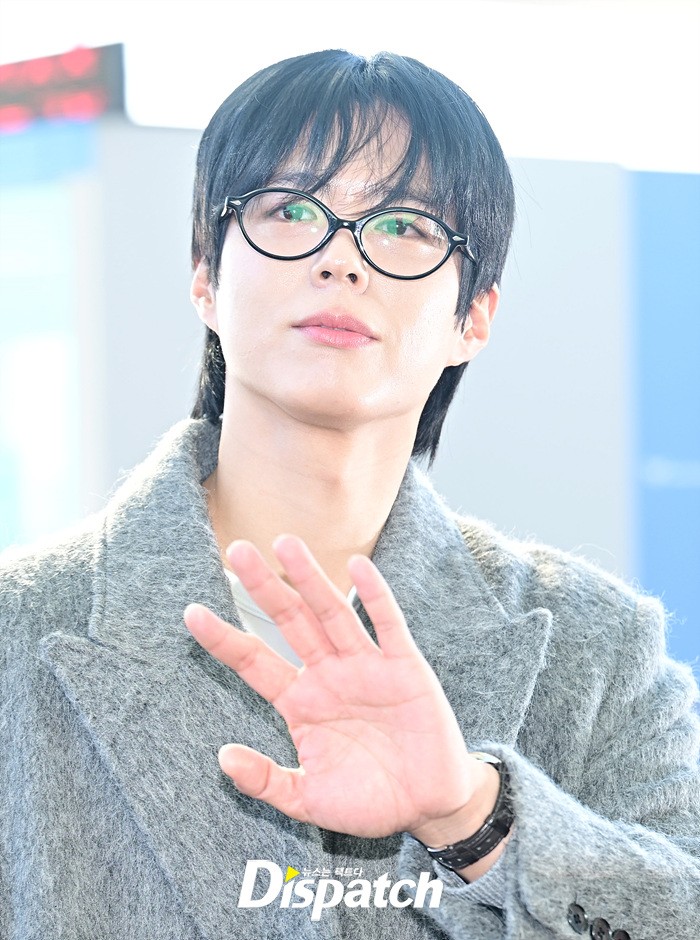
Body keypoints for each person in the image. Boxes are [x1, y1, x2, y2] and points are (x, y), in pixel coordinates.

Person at [1, 48, 698, 940]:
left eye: (405, 225)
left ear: (474, 316)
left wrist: (474, 817)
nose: (341, 259)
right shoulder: (17, 630)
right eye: (291, 210)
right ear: (206, 275)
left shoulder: (598, 648)